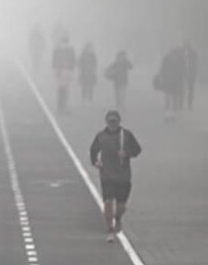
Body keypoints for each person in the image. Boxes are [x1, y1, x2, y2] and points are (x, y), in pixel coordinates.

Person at [89, 110, 142, 241]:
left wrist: (127, 153)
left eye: (115, 122)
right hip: (107, 175)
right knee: (108, 202)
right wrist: (95, 161)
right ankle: (110, 229)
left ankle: (117, 218)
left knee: (120, 205)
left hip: (123, 176)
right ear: (106, 122)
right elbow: (93, 150)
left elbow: (137, 149)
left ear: (119, 122)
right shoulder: (101, 136)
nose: (112, 124)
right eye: (110, 122)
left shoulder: (126, 135)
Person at [52, 35, 77, 115]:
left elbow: (73, 60)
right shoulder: (58, 50)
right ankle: (60, 107)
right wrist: (56, 69)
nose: (64, 44)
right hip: (61, 70)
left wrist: (71, 69)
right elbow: (54, 60)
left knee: (65, 89)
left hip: (66, 70)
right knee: (62, 89)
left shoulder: (70, 50)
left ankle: (63, 107)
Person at [183, 42, 198, 111]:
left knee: (190, 90)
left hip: (190, 74)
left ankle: (189, 104)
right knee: (185, 89)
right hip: (185, 74)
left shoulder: (193, 54)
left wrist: (195, 74)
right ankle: (184, 103)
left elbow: (195, 65)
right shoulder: (183, 53)